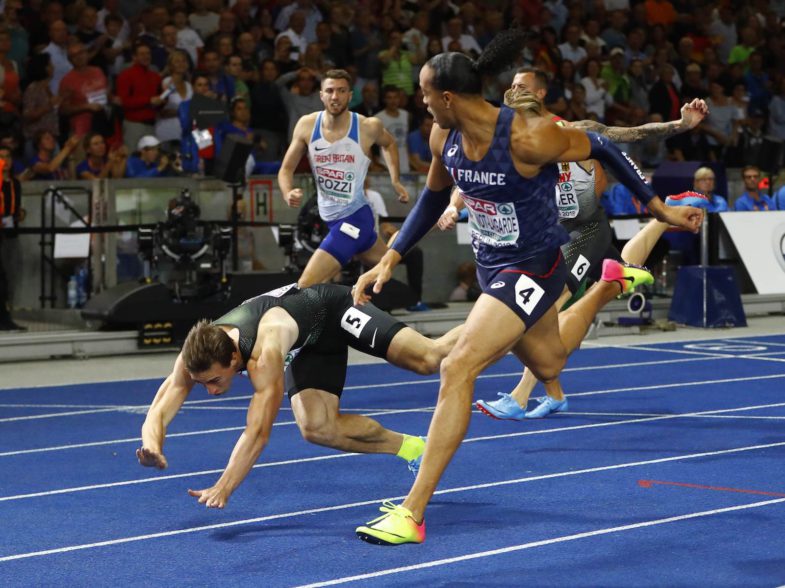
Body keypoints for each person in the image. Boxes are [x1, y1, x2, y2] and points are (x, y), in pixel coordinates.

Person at [350, 31, 703, 545]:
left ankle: (412, 512)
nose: (422, 105)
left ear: (448, 96)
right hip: (495, 267)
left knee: (457, 365)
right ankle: (608, 284)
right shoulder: (441, 138)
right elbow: (431, 199)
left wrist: (661, 210)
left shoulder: (527, 137)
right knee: (550, 363)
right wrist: (390, 257)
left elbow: (603, 144)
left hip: (535, 266)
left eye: (426, 96)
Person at [458, 67, 707, 419]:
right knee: (616, 270)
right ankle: (555, 392)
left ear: (539, 94)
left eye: (520, 86)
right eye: (509, 86)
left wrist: (679, 126)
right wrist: (455, 206)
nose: (511, 91)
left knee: (544, 311)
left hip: (585, 231)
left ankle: (521, 395)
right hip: (552, 236)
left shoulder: (575, 132)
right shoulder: (512, 141)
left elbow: (629, 135)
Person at [137, 282, 461, 508]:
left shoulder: (263, 354)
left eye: (213, 381)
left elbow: (258, 432)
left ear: (233, 360)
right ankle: (415, 449)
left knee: (429, 358)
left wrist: (224, 486)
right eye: (201, 383)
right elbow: (159, 408)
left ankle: (501, 315)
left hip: (334, 309)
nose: (208, 391)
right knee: (317, 428)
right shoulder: (194, 356)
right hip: (308, 342)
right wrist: (152, 444)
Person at [277, 69, 409, 289]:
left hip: (354, 219)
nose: (335, 96)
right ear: (321, 95)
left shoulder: (368, 126)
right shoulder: (307, 125)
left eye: (341, 91)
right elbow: (285, 169)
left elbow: (389, 143)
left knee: (305, 285)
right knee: (387, 263)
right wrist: (287, 191)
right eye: (329, 91)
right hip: (332, 220)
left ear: (350, 95)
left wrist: (395, 179)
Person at [0, 145, 24, 331]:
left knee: (8, 276)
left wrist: (19, 213)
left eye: (7, 156)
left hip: (11, 233)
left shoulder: (15, 183)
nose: (5, 161)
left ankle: (6, 316)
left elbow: (15, 207)